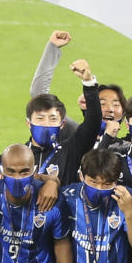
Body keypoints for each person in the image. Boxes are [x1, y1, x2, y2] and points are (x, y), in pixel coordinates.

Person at [60, 149, 132, 263]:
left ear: (116, 181)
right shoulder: (67, 197)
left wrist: (128, 211)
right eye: (93, 182)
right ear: (81, 176)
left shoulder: (126, 197)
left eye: (107, 184)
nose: (99, 189)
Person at [21, 58, 103, 211]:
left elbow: (93, 123)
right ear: (28, 123)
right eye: (40, 118)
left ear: (62, 124)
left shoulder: (71, 151)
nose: (46, 124)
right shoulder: (16, 155)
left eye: (52, 119)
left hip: (62, 228)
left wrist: (89, 83)